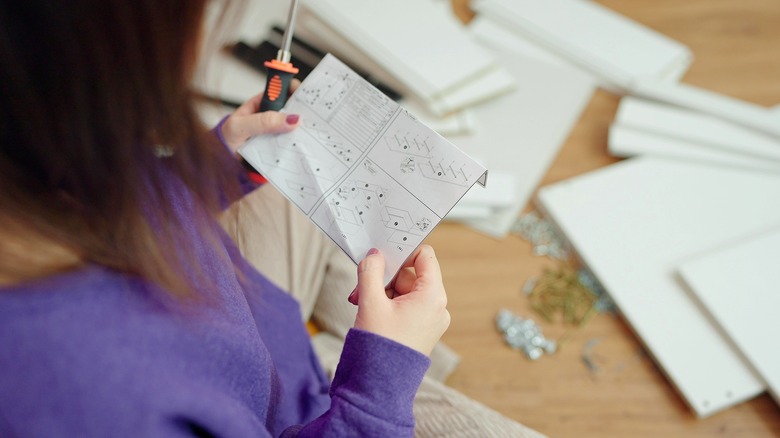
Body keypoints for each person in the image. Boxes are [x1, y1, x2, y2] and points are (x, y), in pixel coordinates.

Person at [0, 1, 543, 436]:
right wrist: (380, 386)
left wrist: (211, 168)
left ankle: (357, 343)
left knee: (309, 160)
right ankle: (368, 351)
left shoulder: (40, 164)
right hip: (311, 414)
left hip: (262, 339)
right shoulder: (100, 404)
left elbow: (138, 199)